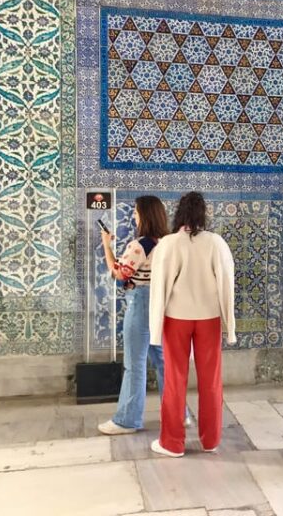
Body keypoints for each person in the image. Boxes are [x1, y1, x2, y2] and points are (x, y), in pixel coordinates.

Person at [149, 192, 236, 457]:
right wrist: (229, 327)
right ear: (203, 213)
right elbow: (227, 284)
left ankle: (173, 443)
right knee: (211, 380)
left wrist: (155, 328)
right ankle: (211, 441)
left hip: (176, 318)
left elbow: (159, 287)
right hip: (208, 319)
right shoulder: (215, 242)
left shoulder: (169, 243)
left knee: (175, 379)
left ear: (179, 213)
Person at [98, 195, 178, 435]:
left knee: (134, 363)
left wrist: (106, 245)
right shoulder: (168, 243)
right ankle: (177, 415)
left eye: (136, 212)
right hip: (161, 304)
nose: (134, 216)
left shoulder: (139, 245)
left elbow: (120, 274)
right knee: (163, 362)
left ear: (144, 215)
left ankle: (127, 420)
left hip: (141, 302)